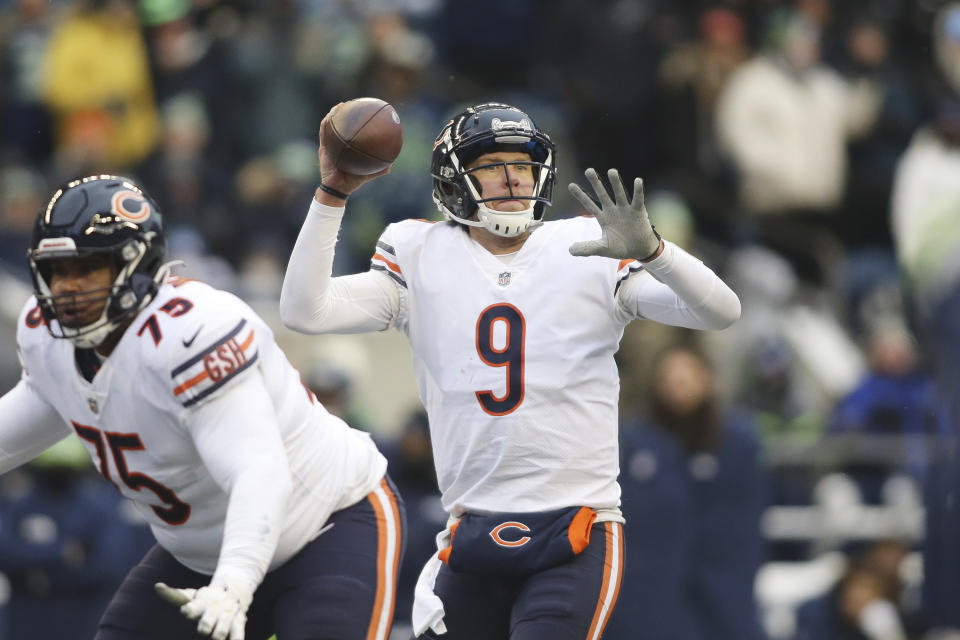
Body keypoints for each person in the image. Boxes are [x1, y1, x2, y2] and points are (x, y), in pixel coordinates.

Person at [280, 102, 741, 639]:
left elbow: (720, 311)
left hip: (576, 527)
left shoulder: (584, 246)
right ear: (455, 181)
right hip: (471, 531)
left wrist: (658, 252)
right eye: (493, 165)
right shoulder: (420, 251)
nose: (514, 178)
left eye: (522, 165)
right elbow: (304, 310)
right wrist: (332, 194)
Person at [0, 175, 406, 640]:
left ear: (137, 265)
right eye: (57, 270)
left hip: (326, 524)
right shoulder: (45, 338)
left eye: (87, 268)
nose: (67, 287)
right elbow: (37, 409)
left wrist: (233, 584)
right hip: (198, 556)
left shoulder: (190, 335)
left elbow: (258, 470)